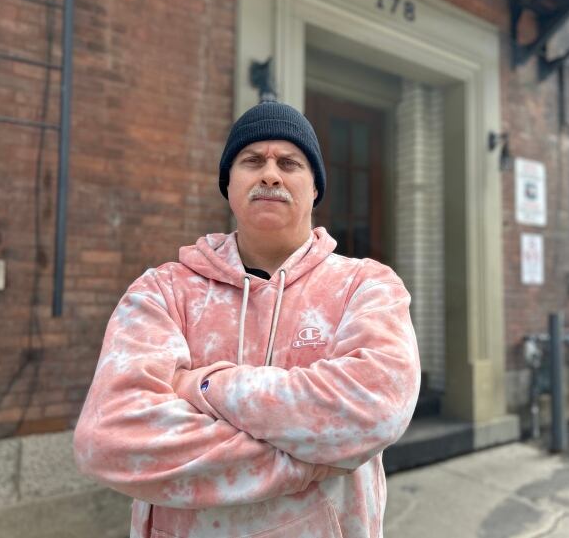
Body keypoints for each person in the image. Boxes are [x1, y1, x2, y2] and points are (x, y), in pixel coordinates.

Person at [73, 101, 421, 538]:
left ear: (315, 188)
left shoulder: (365, 286)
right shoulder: (164, 291)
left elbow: (374, 407)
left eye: (290, 163)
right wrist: (303, 460)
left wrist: (204, 385)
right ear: (229, 184)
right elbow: (108, 440)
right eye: (252, 161)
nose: (270, 174)